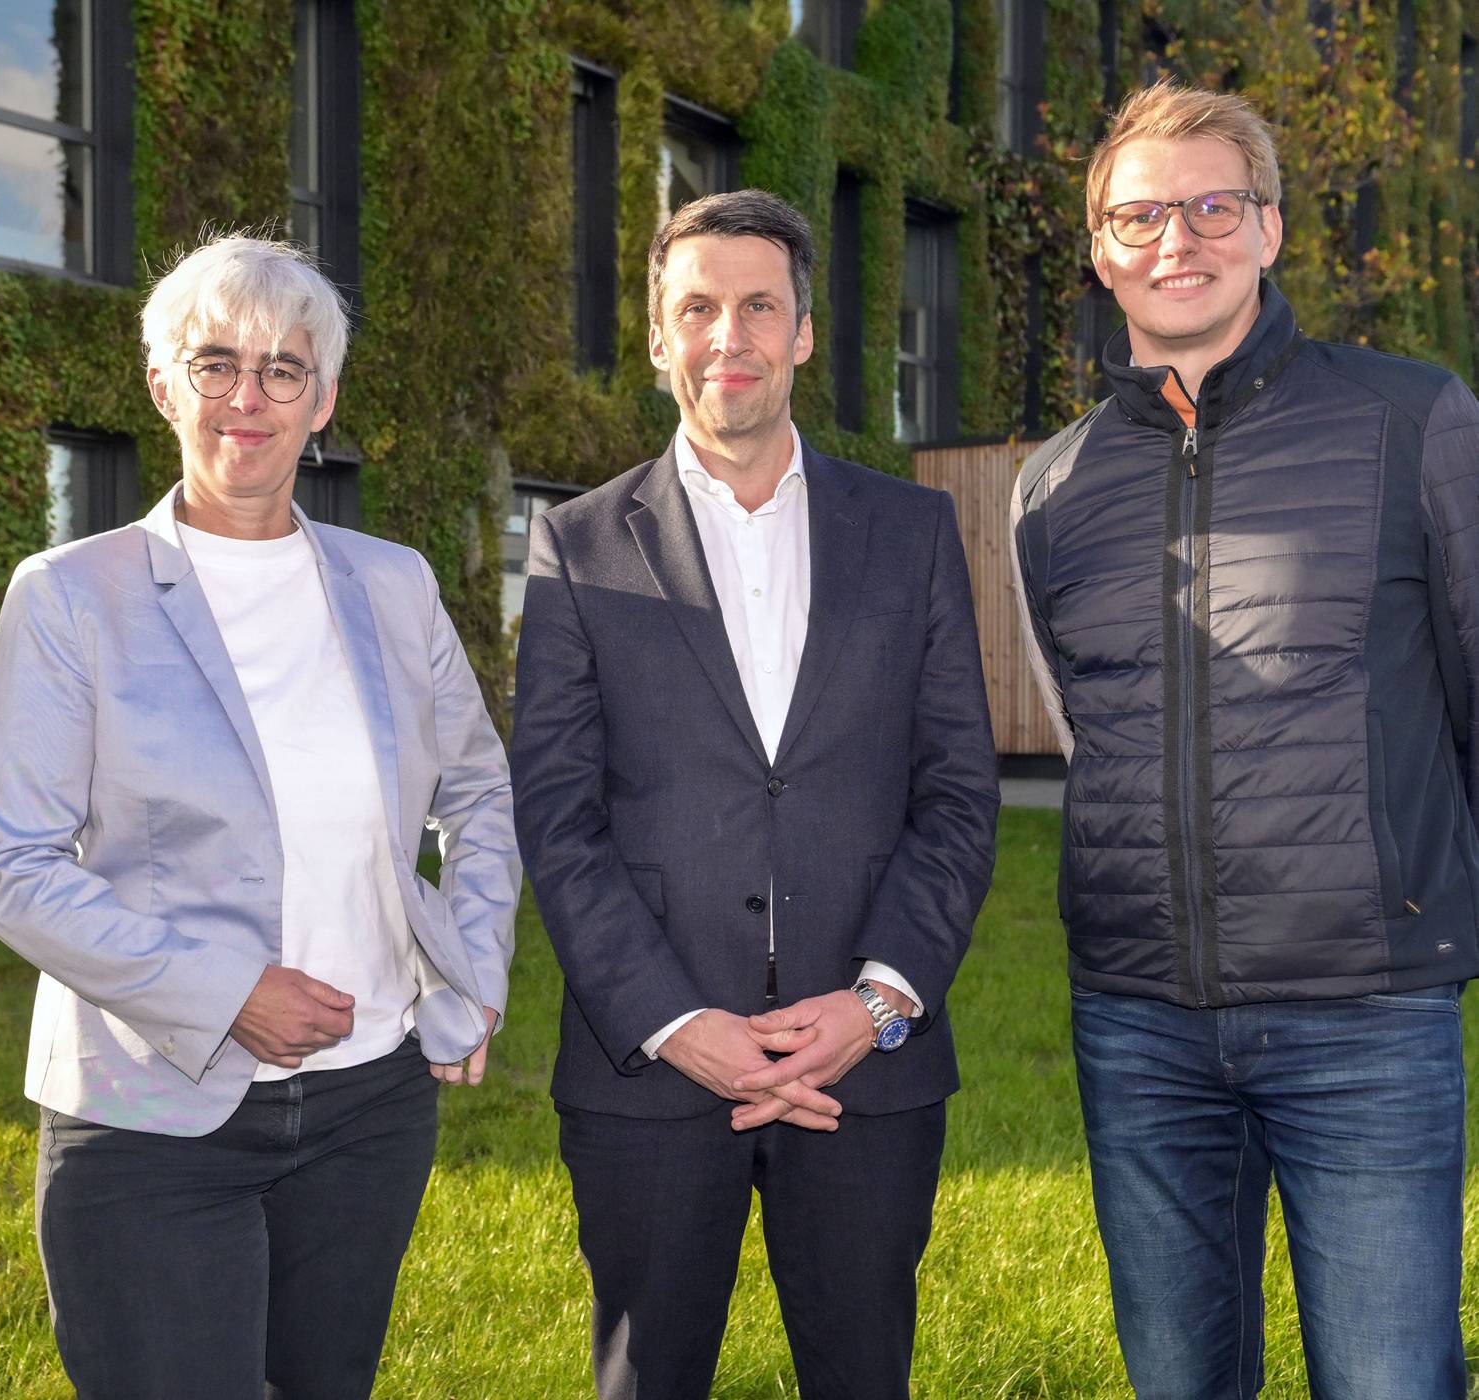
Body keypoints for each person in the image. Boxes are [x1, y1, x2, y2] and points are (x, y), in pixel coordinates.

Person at [0, 233, 519, 1400]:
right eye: (215, 364)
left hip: (371, 1109)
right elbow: (11, 864)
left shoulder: (394, 581)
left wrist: (470, 972)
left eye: (283, 369)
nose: (248, 399)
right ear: (163, 384)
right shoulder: (70, 596)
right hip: (151, 1119)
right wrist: (225, 993)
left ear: (325, 400)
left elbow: (477, 786)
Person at [1013, 80, 1477, 1396]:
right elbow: (1082, 726)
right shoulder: (1054, 486)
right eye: (1142, 215)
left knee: (1390, 1379)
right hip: (1139, 1024)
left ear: (1271, 231)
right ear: (1102, 254)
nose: (1179, 240)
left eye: (1214, 206)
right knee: (1178, 1380)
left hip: (1366, 1015)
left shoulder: (1415, 421)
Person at [511, 189, 999, 1399]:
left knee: (864, 1373)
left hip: (866, 1071)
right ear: (660, 337)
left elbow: (956, 794)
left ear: (804, 332)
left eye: (758, 306)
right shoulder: (576, 544)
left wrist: (878, 1003)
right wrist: (681, 1024)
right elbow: (559, 819)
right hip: (656, 1071)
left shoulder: (913, 530)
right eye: (698, 308)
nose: (728, 334)